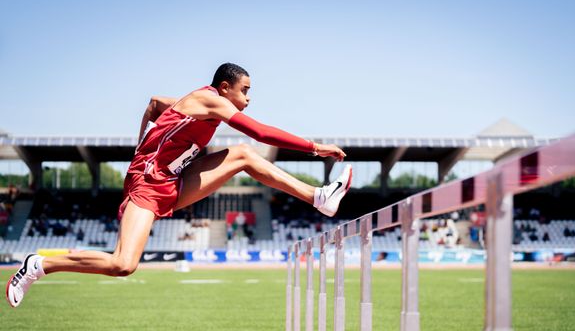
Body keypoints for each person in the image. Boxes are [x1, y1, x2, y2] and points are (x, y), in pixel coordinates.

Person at [7, 63, 352, 308]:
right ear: (224, 89)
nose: (249, 98)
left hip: (172, 181)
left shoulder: (195, 105)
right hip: (146, 184)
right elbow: (260, 132)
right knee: (123, 265)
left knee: (244, 156)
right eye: (245, 91)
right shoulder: (210, 100)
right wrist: (314, 147)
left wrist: (144, 133)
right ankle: (40, 265)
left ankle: (318, 196)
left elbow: (155, 102)